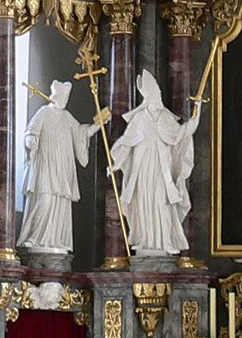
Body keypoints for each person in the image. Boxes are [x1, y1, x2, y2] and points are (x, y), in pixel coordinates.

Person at [111, 69, 202, 255]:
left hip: (162, 170)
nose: (158, 98)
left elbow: (184, 132)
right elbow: (126, 144)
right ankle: (145, 241)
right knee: (143, 203)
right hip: (142, 170)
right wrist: (116, 164)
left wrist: (198, 110)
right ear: (148, 98)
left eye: (159, 95)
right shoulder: (139, 119)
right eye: (155, 95)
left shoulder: (166, 117)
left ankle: (165, 241)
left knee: (162, 202)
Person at [17, 80, 103, 252]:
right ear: (55, 96)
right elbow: (31, 130)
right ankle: (34, 237)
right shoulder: (44, 112)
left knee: (60, 203)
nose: (64, 101)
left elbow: (81, 133)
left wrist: (97, 126)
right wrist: (30, 139)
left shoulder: (67, 116)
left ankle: (54, 241)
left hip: (63, 167)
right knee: (45, 199)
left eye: (66, 98)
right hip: (46, 163)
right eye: (62, 97)